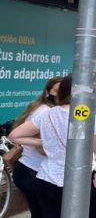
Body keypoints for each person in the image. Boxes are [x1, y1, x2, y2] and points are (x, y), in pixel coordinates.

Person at [9, 75, 96, 218]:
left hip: (46, 179)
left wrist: (44, 142)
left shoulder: (48, 114)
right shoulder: (85, 113)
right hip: (79, 180)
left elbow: (14, 135)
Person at [11, 77, 61, 218]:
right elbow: (42, 149)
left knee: (39, 213)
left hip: (27, 169)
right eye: (57, 91)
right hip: (33, 172)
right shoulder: (46, 113)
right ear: (47, 93)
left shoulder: (42, 108)